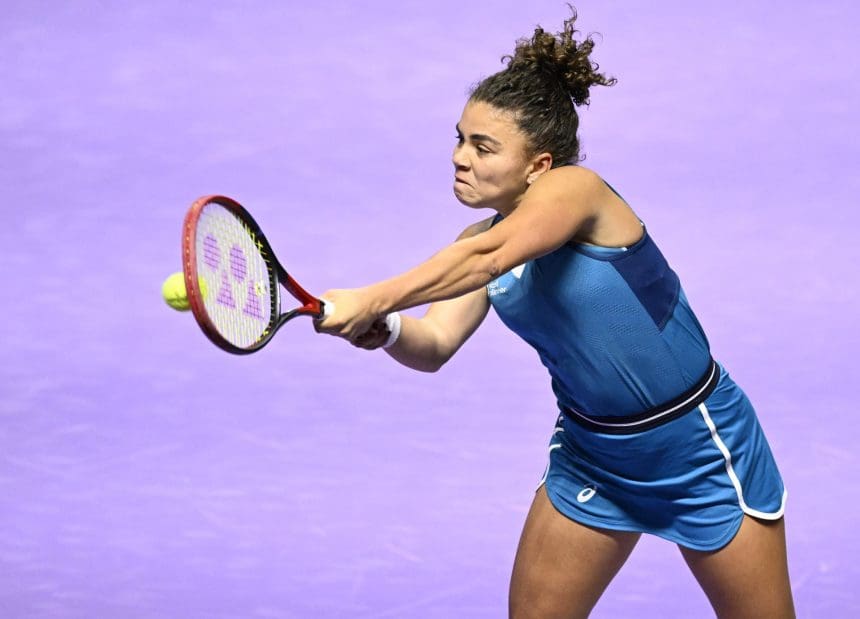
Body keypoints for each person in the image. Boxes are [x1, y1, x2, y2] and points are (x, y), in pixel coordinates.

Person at [315, 8, 795, 618]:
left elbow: (488, 258)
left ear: (539, 165)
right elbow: (434, 343)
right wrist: (386, 328)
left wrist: (373, 296)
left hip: (696, 448)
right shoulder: (475, 242)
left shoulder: (576, 190)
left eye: (483, 146)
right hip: (593, 455)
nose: (460, 157)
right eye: (459, 139)